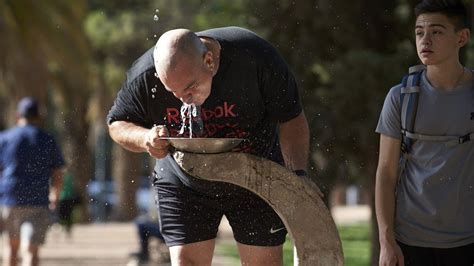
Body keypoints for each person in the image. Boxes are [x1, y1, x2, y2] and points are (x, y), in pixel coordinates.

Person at [107, 26, 310, 265]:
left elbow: (291, 118)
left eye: (190, 87)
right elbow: (117, 123)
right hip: (184, 181)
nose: (185, 99)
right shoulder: (145, 74)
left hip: (257, 177)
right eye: (174, 92)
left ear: (209, 60)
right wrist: (145, 138)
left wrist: (297, 176)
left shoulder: (253, 56)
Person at [375, 1, 474, 265]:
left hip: (467, 242)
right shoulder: (400, 98)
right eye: (419, 32)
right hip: (410, 242)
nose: (425, 40)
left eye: (436, 32)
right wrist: (386, 242)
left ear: (461, 38)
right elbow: (385, 173)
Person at [0, 97, 65, 266]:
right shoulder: (47, 139)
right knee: (31, 249)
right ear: (38, 116)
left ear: (17, 115)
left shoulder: (5, 138)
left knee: (11, 248)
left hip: (9, 198)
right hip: (38, 200)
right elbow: (58, 172)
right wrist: (55, 195)